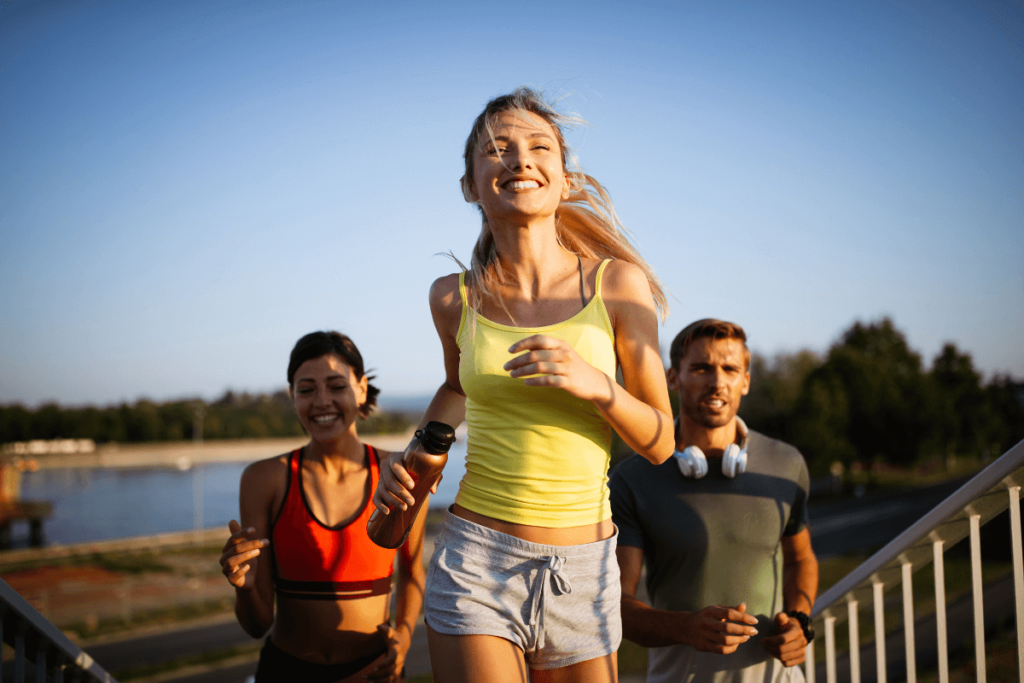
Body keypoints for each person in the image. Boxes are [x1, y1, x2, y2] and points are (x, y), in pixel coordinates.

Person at [371, 87, 675, 683]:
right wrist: (417, 452)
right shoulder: (450, 296)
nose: (519, 159)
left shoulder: (617, 286)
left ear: (564, 178)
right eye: (497, 149)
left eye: (539, 146)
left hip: (584, 566)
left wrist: (597, 386)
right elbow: (457, 386)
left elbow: (662, 442)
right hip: (477, 555)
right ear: (470, 184)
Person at [609, 319, 819, 683]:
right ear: (673, 378)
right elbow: (618, 606)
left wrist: (800, 621)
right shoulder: (633, 479)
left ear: (746, 380)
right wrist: (686, 627)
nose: (717, 381)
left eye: (730, 369)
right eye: (702, 368)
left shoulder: (787, 464)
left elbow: (801, 558)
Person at [219, 331, 426, 683]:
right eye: (306, 389)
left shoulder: (397, 474)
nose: (322, 401)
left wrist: (403, 641)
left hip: (375, 673)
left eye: (336, 386)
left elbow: (412, 573)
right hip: (286, 671)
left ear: (361, 389)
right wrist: (245, 587)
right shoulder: (263, 480)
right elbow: (257, 625)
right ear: (292, 396)